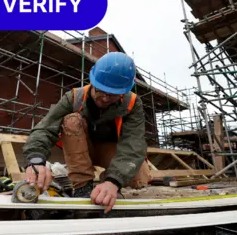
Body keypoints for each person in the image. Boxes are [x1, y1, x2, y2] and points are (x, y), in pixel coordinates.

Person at [22, 52, 151, 213]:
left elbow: (134, 142)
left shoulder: (132, 103)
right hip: (81, 149)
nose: (104, 98)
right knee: (71, 120)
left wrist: (114, 181)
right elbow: (45, 128)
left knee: (139, 176)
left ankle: (107, 185)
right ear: (93, 81)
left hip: (111, 151)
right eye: (101, 90)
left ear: (123, 92)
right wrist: (35, 159)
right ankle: (82, 186)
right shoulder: (74, 97)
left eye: (112, 95)